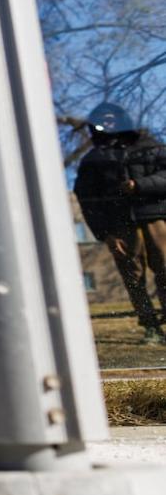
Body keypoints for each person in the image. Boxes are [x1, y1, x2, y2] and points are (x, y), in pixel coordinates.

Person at [75, 102, 166, 345]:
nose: (109, 121)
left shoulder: (151, 147)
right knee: (133, 279)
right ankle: (151, 328)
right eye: (102, 118)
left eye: (112, 116)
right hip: (119, 225)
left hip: (156, 218)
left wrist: (140, 185)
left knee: (165, 269)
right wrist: (105, 234)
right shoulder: (93, 159)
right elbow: (87, 200)